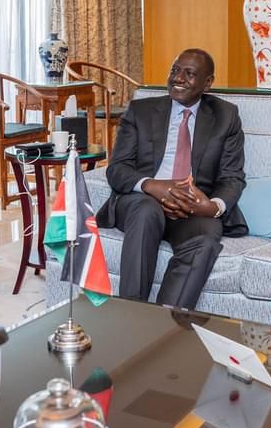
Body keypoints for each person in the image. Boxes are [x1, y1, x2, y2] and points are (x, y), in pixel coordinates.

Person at [96, 48, 247, 309]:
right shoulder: (141, 110)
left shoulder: (226, 116)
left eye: (189, 74)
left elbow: (232, 177)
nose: (178, 78)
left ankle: (166, 323)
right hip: (140, 201)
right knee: (146, 211)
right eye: (175, 70)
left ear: (207, 83)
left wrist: (212, 206)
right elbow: (117, 168)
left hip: (191, 209)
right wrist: (153, 186)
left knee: (208, 234)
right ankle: (130, 312)